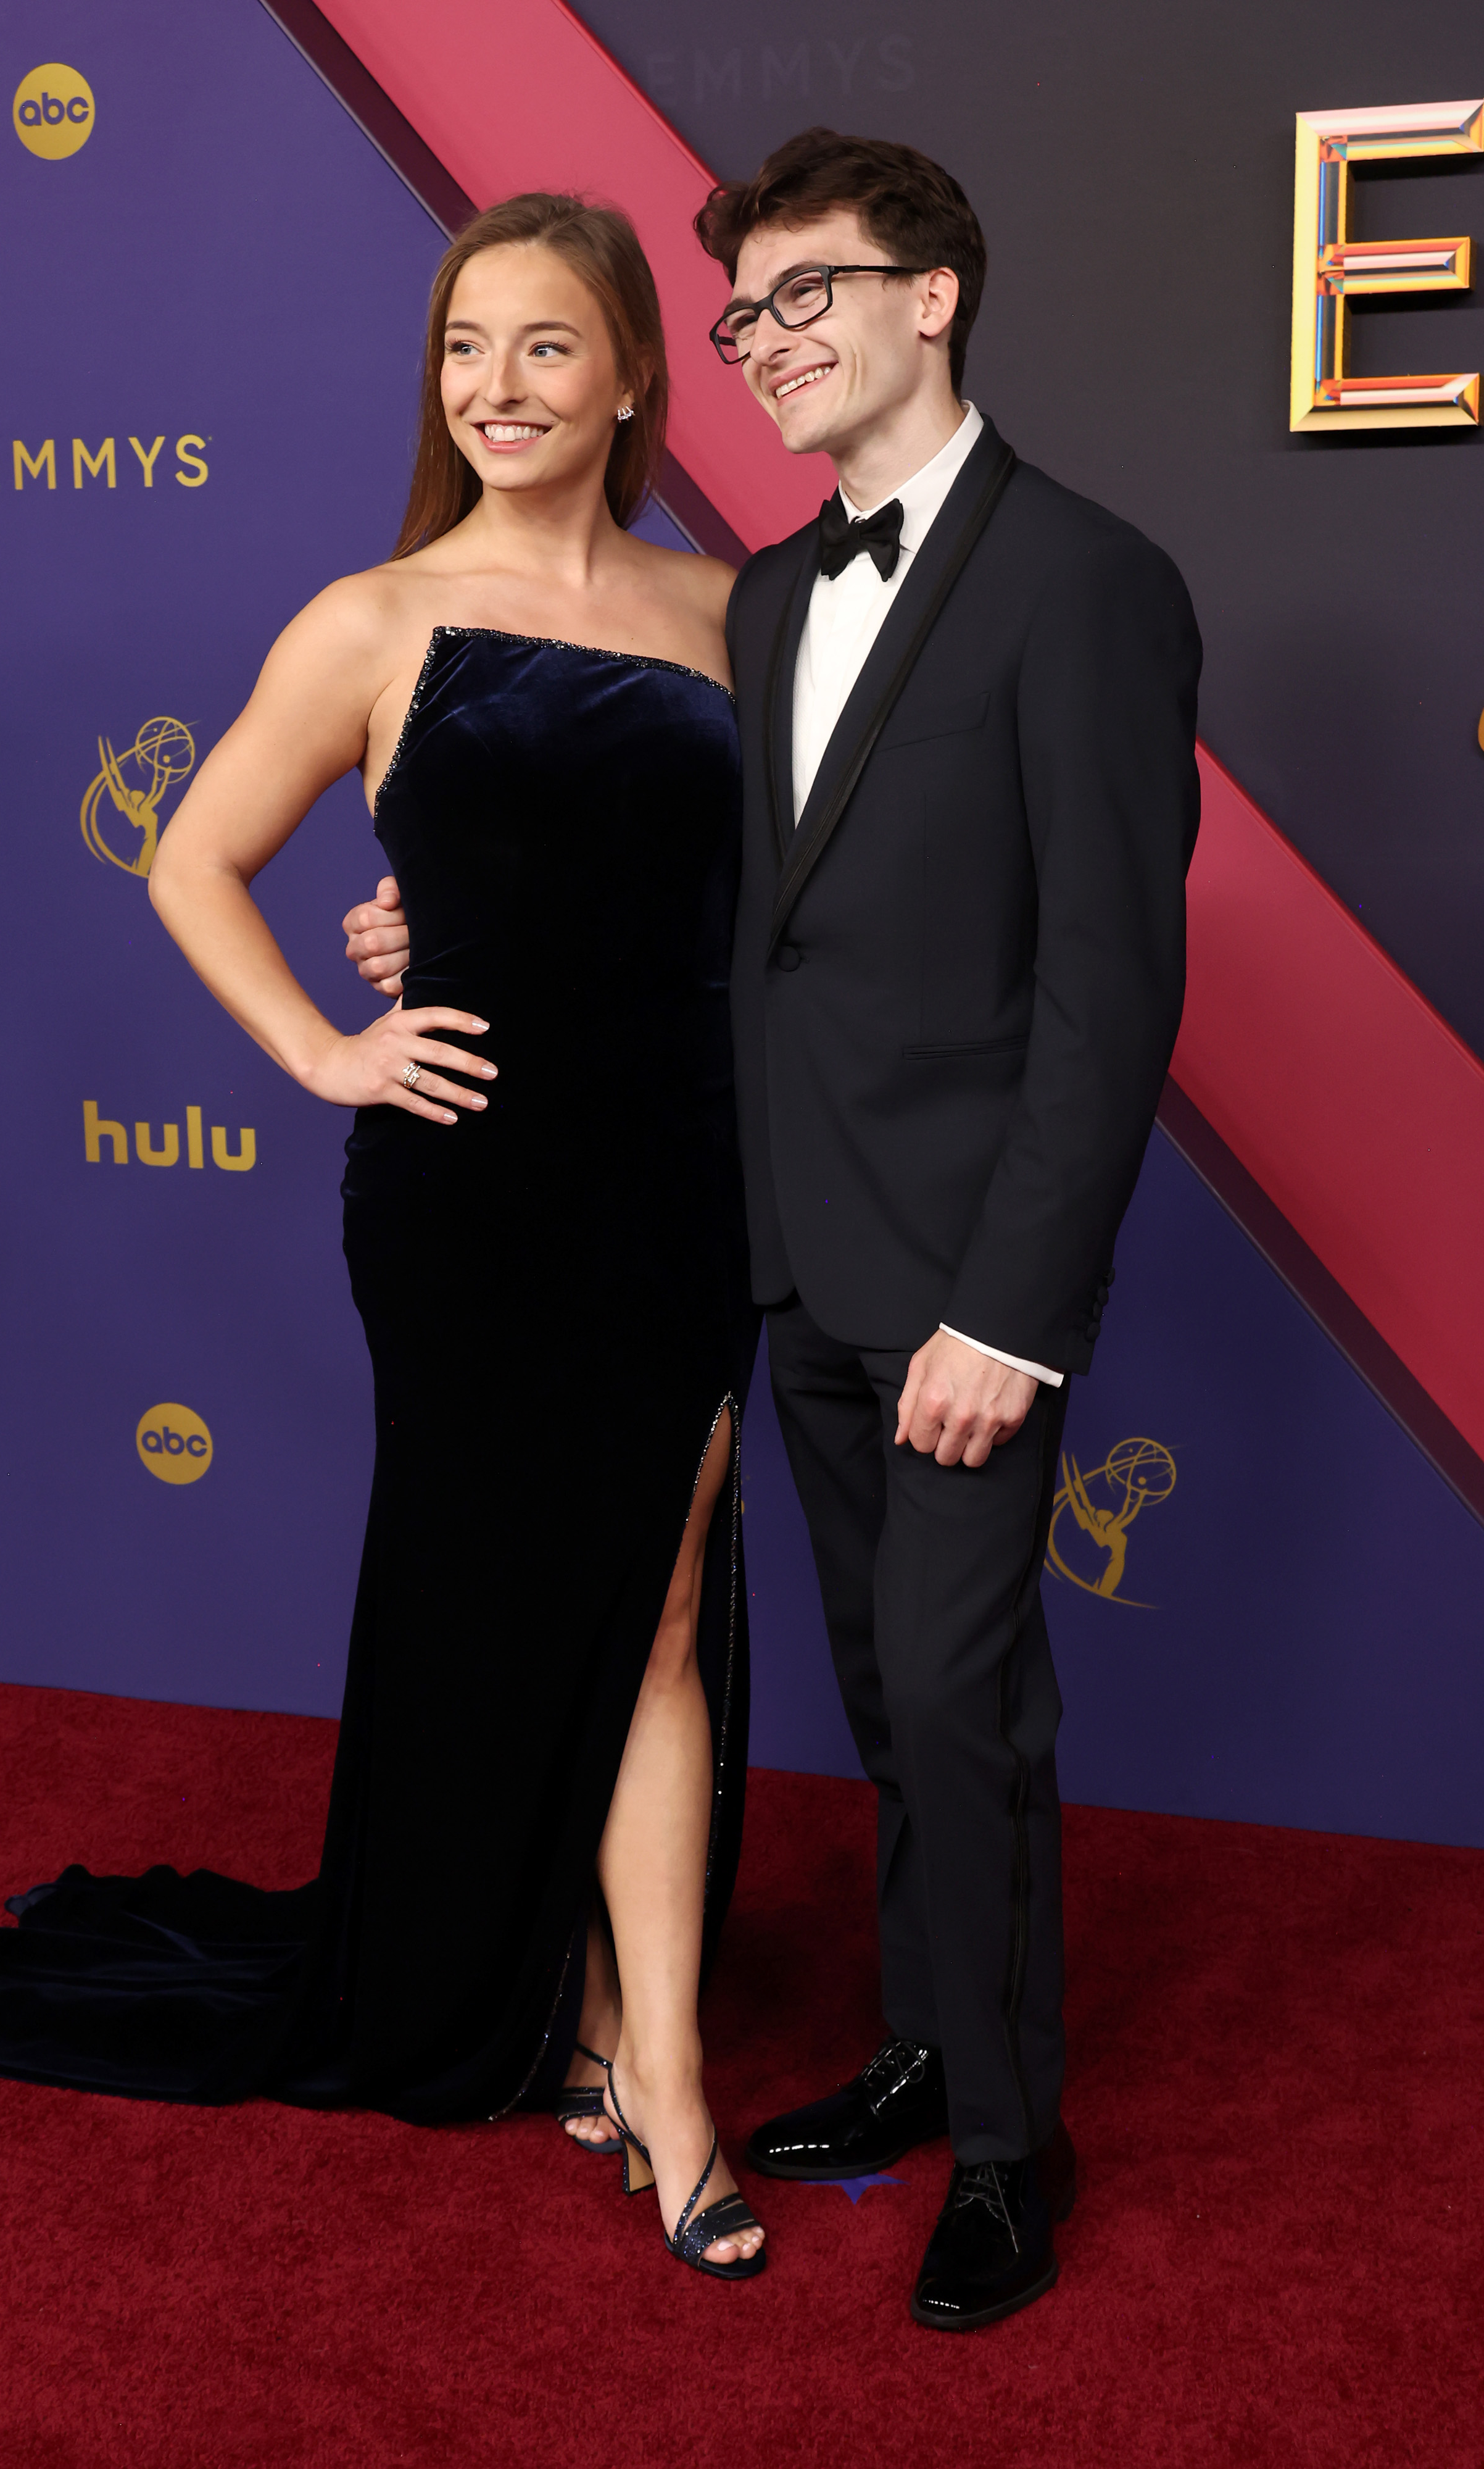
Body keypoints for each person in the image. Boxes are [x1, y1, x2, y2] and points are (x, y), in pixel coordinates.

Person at [346, 130, 1201, 2330]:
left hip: (965, 1285)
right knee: (886, 1707)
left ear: (935, 300)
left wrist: (1016, 1316)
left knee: (961, 1689)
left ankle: (1014, 2144)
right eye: (744, 312)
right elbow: (707, 913)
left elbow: (1112, 993)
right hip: (781, 1253)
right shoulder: (762, 594)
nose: (769, 340)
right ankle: (921, 2049)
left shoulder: (1086, 582)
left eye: (809, 293)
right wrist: (437, 918)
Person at [0, 192, 767, 2280]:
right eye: (461, 350)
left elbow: (777, 910)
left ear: (629, 375)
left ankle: (644, 2055)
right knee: (510, 1596)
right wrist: (327, 1046)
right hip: (470, 1190)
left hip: (681, 1176)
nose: (496, 389)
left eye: (545, 348)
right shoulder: (373, 616)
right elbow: (192, 856)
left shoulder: (731, 613)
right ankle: (571, 2018)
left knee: (664, 1615)